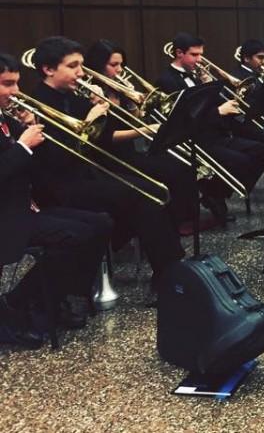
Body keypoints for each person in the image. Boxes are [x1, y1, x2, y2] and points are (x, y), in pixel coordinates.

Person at [29, 37, 184, 289]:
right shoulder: (37, 101)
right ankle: (167, 271)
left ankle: (169, 268)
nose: (81, 73)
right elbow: (57, 157)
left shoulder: (75, 95)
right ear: (48, 69)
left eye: (80, 65)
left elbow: (100, 139)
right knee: (140, 197)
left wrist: (103, 107)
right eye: (73, 66)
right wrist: (91, 118)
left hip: (86, 175)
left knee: (152, 190)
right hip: (58, 186)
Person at [0, 53, 112, 348]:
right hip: (6, 218)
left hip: (21, 207)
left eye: (16, 83)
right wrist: (23, 146)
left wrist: (26, 131)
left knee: (100, 223)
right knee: (74, 236)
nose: (15, 92)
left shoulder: (5, 118)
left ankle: (54, 296)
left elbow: (28, 168)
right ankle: (18, 303)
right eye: (7, 84)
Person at [83, 40, 205, 233]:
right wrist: (148, 130)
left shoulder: (116, 89)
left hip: (130, 152)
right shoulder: (92, 94)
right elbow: (106, 137)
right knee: (172, 172)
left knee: (183, 166)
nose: (120, 69)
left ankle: (179, 220)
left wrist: (133, 103)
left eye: (121, 64)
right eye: (113, 65)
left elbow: (133, 119)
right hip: (110, 159)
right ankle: (173, 224)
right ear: (98, 66)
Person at [157, 33, 264, 219]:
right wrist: (219, 112)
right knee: (241, 161)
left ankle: (216, 193)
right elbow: (183, 119)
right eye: (194, 55)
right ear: (178, 53)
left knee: (263, 150)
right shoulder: (166, 81)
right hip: (195, 139)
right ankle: (214, 191)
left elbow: (209, 104)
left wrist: (211, 86)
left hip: (216, 133)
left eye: (201, 54)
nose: (200, 60)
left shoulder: (197, 75)